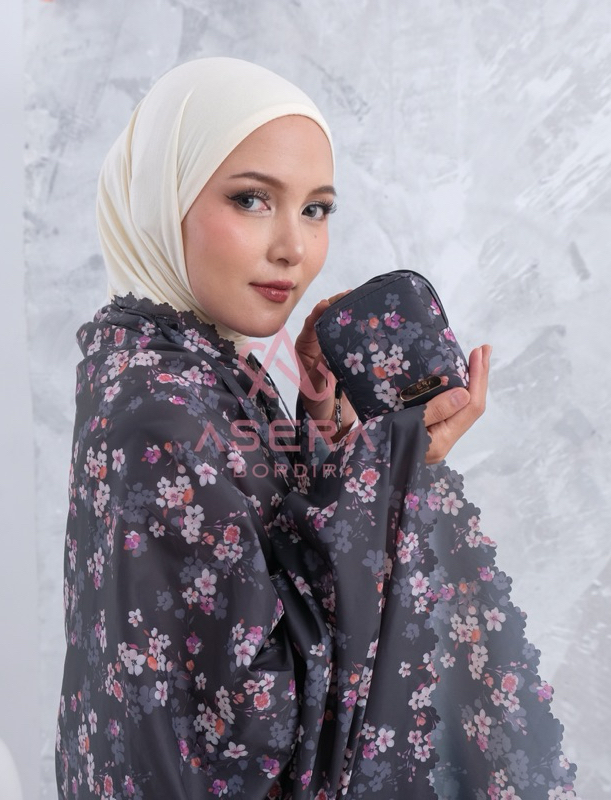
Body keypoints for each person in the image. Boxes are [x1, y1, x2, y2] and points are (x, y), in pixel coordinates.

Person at [56, 57, 577, 799]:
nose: (293, 248)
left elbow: (258, 558)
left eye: (316, 209)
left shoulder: (175, 361)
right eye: (251, 199)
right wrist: (387, 471)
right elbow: (247, 729)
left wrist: (325, 419)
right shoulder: (160, 411)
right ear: (160, 200)